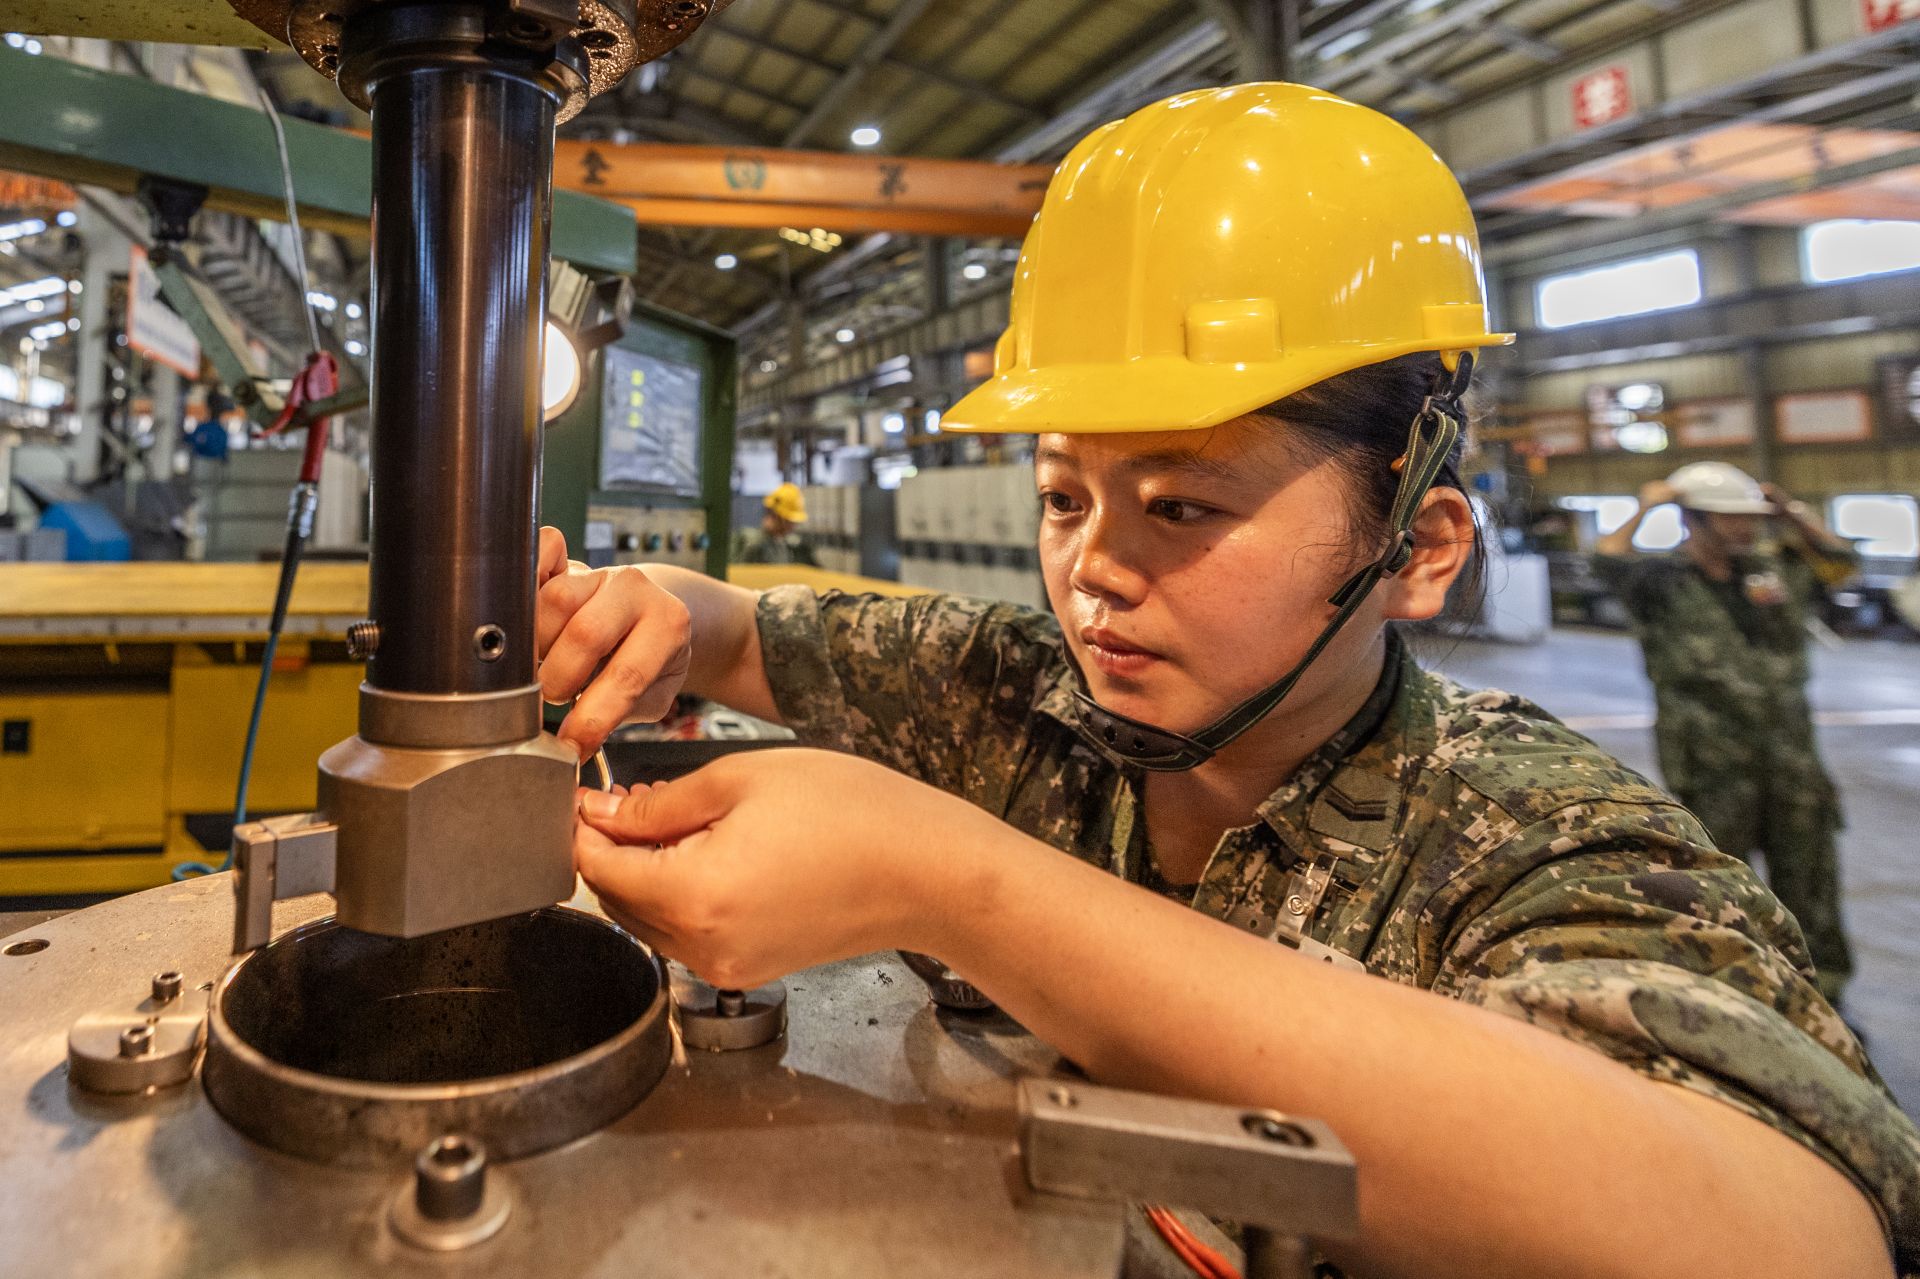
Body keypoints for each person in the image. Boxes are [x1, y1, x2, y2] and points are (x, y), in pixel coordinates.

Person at [535, 86, 1916, 1278]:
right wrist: (643, 610)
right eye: (1066, 495)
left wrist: (956, 881)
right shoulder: (1012, 698)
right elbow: (732, 629)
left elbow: (1792, 1234)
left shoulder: (1535, 837)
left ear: (1416, 544)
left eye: (1183, 510)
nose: (1092, 572)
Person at [1594, 462, 1861, 1004]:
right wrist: (1648, 504)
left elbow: (1843, 563)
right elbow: (1603, 560)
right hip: (1712, 765)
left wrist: (1791, 510)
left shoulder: (1773, 573)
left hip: (1793, 762)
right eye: (1731, 518)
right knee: (1717, 888)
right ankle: (1731, 992)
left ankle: (1824, 995)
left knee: (1811, 886)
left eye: (1753, 519)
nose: (1747, 529)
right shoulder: (1661, 582)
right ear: (1692, 519)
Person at [732, 482, 818, 566]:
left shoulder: (792, 546)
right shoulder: (751, 542)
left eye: (793, 522)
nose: (792, 526)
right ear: (774, 515)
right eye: (788, 521)